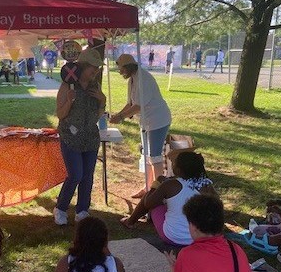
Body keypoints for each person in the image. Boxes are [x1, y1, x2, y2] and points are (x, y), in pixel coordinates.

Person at [53, 48, 106, 225]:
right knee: (76, 174)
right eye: (94, 68)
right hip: (71, 137)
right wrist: (69, 101)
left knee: (87, 176)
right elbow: (60, 114)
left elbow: (97, 117)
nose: (96, 72)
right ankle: (60, 208)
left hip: (90, 137)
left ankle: (82, 210)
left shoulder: (95, 87)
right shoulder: (68, 85)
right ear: (83, 66)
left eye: (98, 69)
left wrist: (102, 100)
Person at [120, 152, 216, 246]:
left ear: (178, 169)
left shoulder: (170, 185)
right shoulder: (207, 185)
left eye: (174, 163)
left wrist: (156, 185)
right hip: (200, 237)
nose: (172, 165)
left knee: (149, 197)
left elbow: (148, 203)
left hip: (174, 237)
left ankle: (130, 222)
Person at [110, 54, 172, 199]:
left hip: (158, 120)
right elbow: (130, 104)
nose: (120, 72)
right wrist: (118, 115)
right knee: (147, 155)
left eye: (121, 69)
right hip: (146, 121)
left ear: (128, 67)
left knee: (155, 156)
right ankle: (148, 186)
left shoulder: (143, 79)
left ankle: (158, 191)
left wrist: (120, 117)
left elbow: (138, 106)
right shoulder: (132, 79)